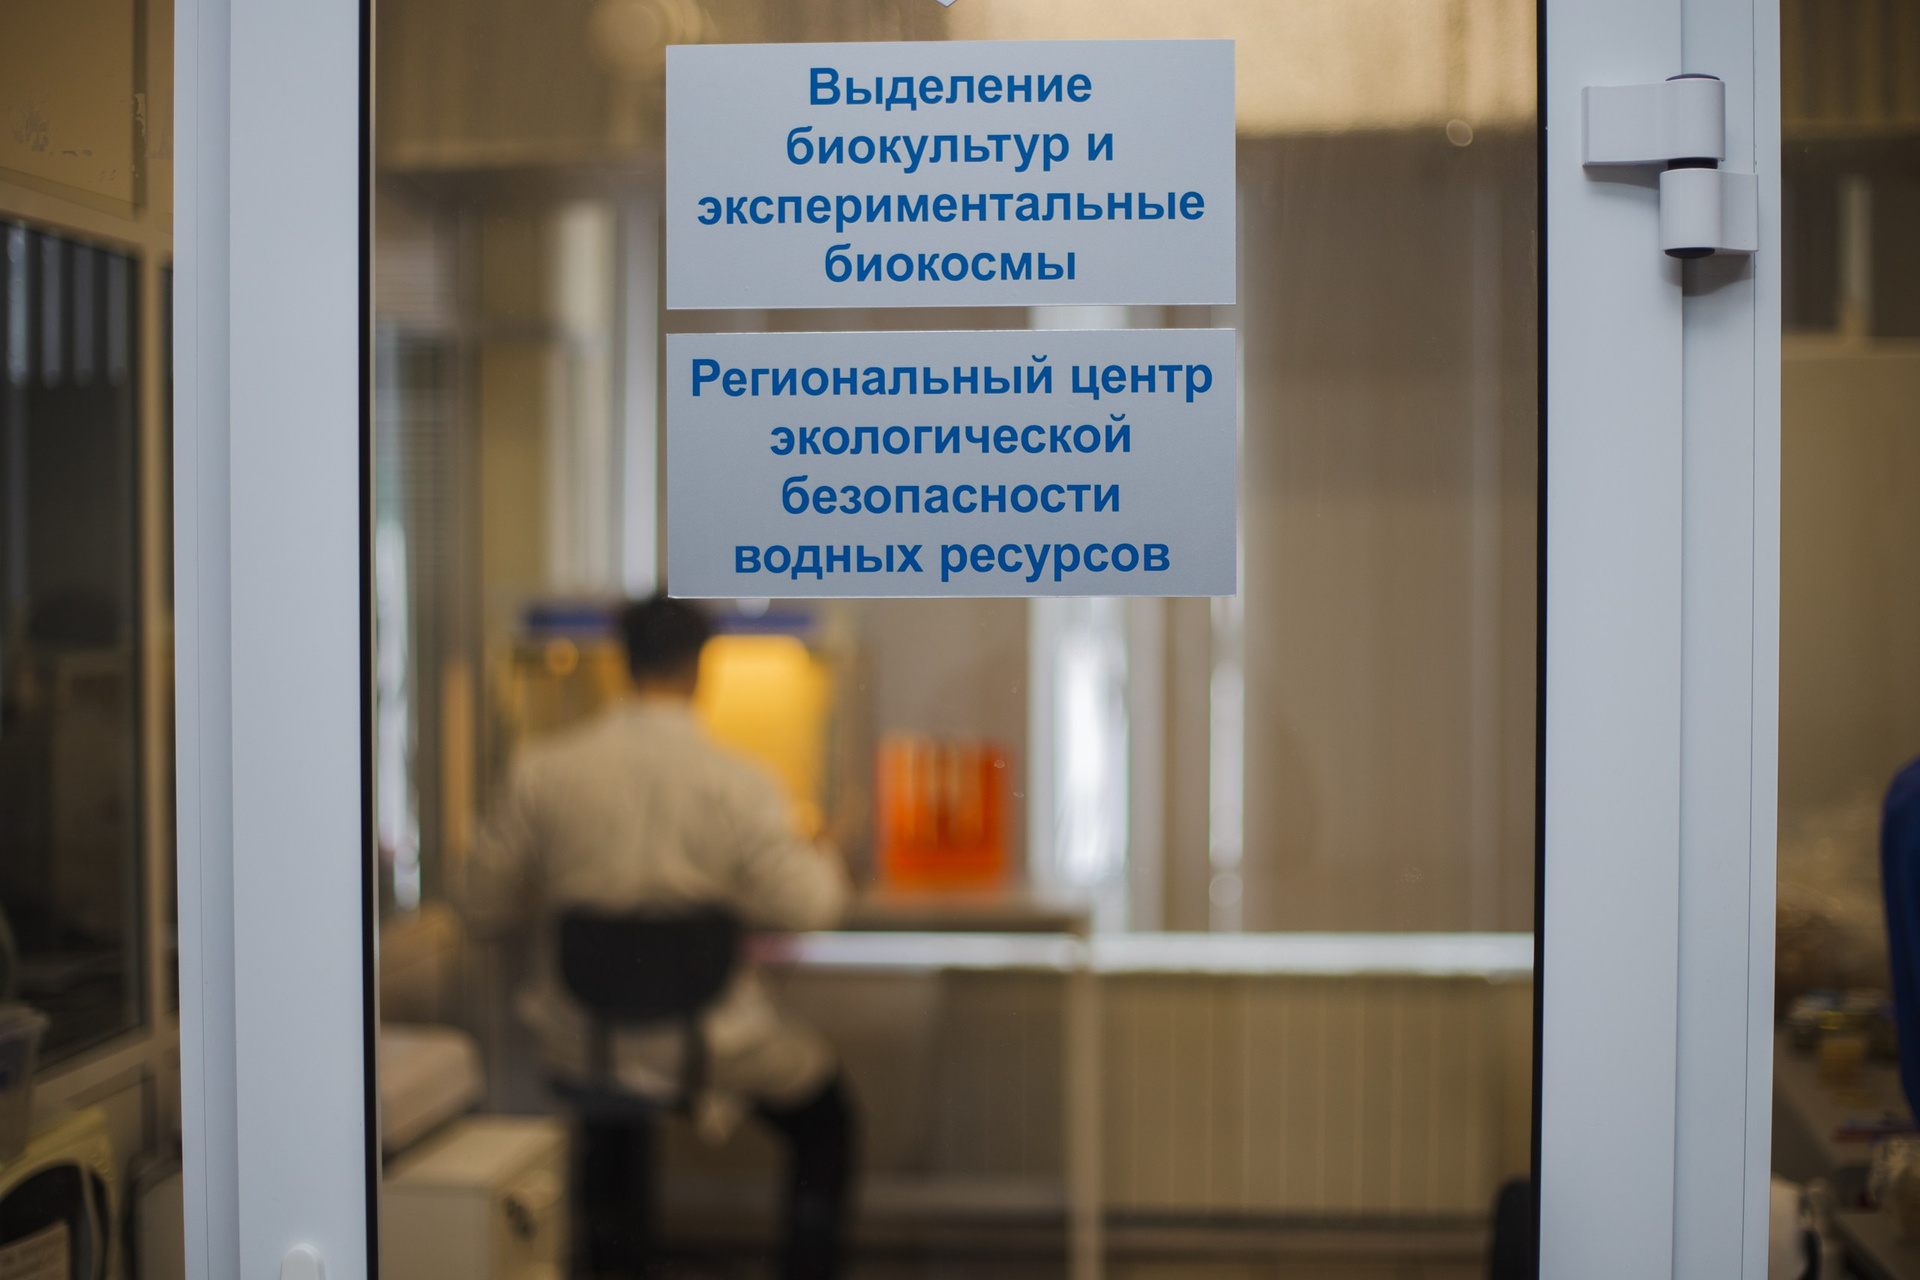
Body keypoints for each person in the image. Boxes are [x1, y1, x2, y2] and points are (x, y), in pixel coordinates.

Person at [464, 594, 856, 1280]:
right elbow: (813, 906)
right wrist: (815, 850)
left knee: (613, 1118)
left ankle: (615, 1258)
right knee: (829, 1120)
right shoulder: (739, 782)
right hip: (707, 1042)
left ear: (621, 661)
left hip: (585, 1036)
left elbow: (478, 905)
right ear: (701, 667)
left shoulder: (542, 770)